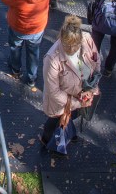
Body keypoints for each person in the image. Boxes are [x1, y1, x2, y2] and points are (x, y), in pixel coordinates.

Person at [40, 15, 100, 153]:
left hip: (81, 95)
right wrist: (79, 102)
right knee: (55, 120)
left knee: (72, 116)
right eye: (67, 45)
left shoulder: (87, 38)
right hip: (62, 102)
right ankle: (46, 139)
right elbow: (53, 92)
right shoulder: (52, 59)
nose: (72, 49)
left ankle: (68, 131)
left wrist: (91, 88)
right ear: (61, 39)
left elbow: (96, 61)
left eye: (76, 45)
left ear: (81, 39)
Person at [1, 0, 51, 87]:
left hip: (18, 27)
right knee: (33, 51)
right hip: (37, 27)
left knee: (15, 47)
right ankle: (31, 78)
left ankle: (15, 69)